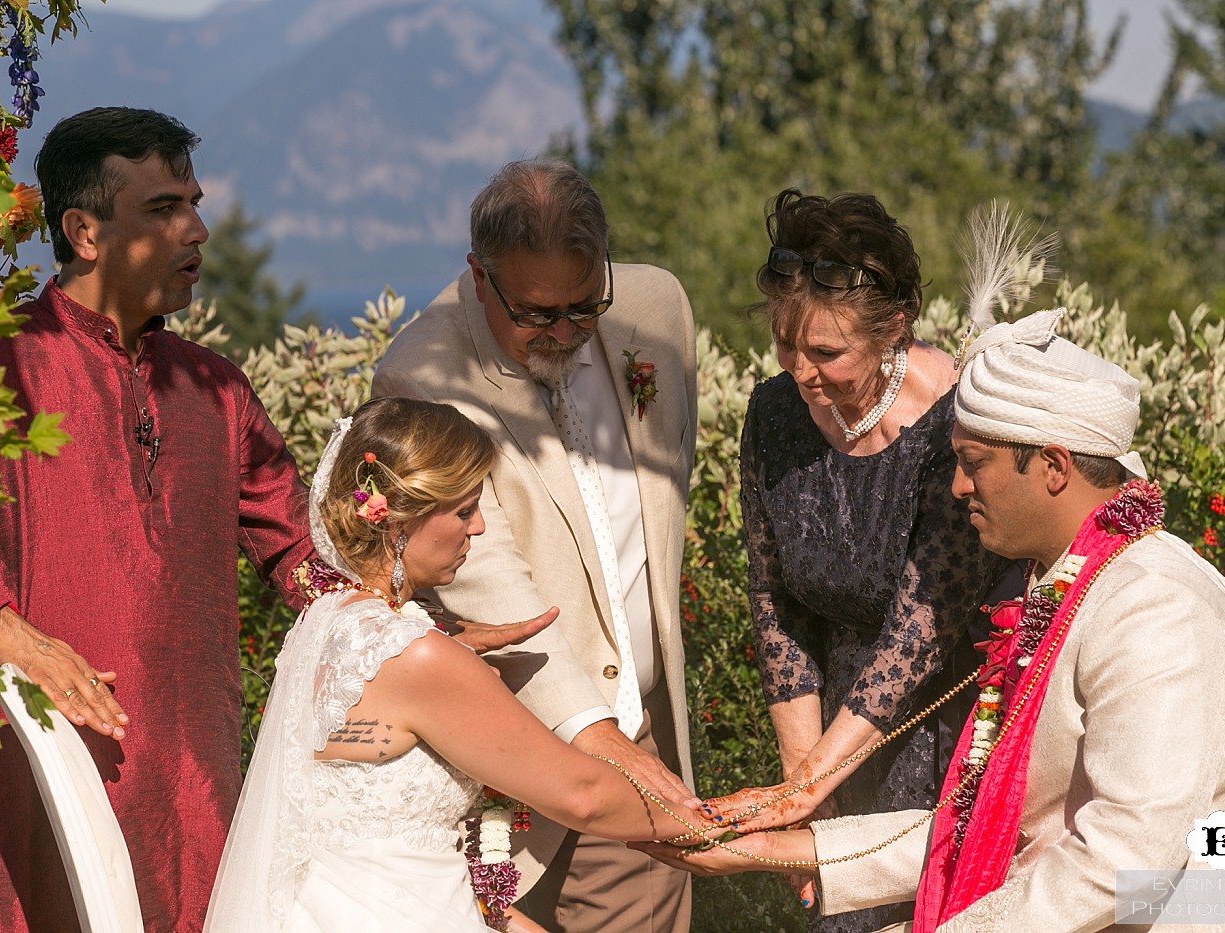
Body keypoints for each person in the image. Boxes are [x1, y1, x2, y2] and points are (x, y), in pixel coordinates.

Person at [641, 306, 1225, 933]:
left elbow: (1120, 863)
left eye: (974, 463)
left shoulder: (1157, 609)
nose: (959, 487)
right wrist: (785, 848)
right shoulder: (1058, 584)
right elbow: (990, 823)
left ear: (1052, 465)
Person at [0, 107, 316, 931]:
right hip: (38, 790)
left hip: (193, 795)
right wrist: (9, 632)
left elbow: (307, 561)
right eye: (165, 208)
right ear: (85, 232)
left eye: (194, 203)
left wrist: (406, 621)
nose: (197, 228)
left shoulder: (216, 391)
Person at [204, 397, 705, 932]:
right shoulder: (416, 653)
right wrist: (719, 833)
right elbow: (582, 796)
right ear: (398, 518)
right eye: (464, 510)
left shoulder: (327, 619)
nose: (480, 527)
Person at [371, 158, 697, 932]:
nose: (565, 332)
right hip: (517, 741)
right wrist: (609, 745)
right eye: (538, 314)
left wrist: (641, 731)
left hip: (643, 717)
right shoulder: (422, 378)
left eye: (586, 306)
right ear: (479, 278)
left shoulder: (658, 309)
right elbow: (491, 582)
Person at [708, 189, 1009, 930]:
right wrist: (803, 782)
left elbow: (920, 630)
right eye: (786, 345)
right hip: (833, 726)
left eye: (826, 353)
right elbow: (774, 599)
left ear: (894, 329)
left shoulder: (954, 424)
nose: (801, 372)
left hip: (949, 722)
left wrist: (806, 791)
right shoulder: (775, 414)